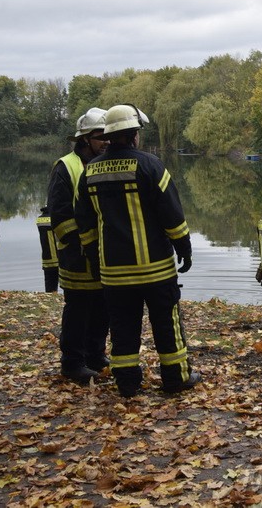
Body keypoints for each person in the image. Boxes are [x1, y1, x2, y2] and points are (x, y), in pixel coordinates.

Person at [74, 105, 198, 398]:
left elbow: (85, 223)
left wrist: (94, 258)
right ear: (134, 135)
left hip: (114, 271)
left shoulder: (89, 171)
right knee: (166, 324)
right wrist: (185, 248)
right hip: (155, 267)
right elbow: (172, 215)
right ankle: (175, 378)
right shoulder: (151, 165)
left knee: (122, 328)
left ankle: (127, 382)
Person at [47, 108, 110, 384]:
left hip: (102, 253)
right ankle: (72, 363)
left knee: (102, 308)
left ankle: (95, 356)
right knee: (78, 310)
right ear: (84, 139)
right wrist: (80, 246)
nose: (106, 142)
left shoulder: (103, 163)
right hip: (77, 255)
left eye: (108, 137)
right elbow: (59, 214)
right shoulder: (66, 166)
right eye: (100, 137)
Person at [36, 206, 59, 293]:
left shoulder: (39, 219)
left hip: (46, 257)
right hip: (57, 257)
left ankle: (50, 294)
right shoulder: (53, 218)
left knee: (49, 283)